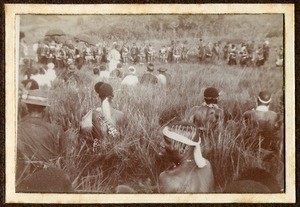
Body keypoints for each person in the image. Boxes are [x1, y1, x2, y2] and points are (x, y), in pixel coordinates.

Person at [17, 89, 66, 189]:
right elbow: (63, 158)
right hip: (50, 179)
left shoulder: (17, 128)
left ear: (27, 107)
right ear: (44, 108)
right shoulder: (57, 129)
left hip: (23, 179)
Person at [158, 121, 214, 192]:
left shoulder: (167, 178)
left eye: (167, 142)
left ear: (183, 148)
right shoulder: (206, 165)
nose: (161, 144)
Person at [81, 82, 125, 148]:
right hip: (118, 151)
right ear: (112, 96)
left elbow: (85, 130)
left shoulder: (92, 113)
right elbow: (122, 136)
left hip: (98, 151)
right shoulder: (121, 114)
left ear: (99, 97)